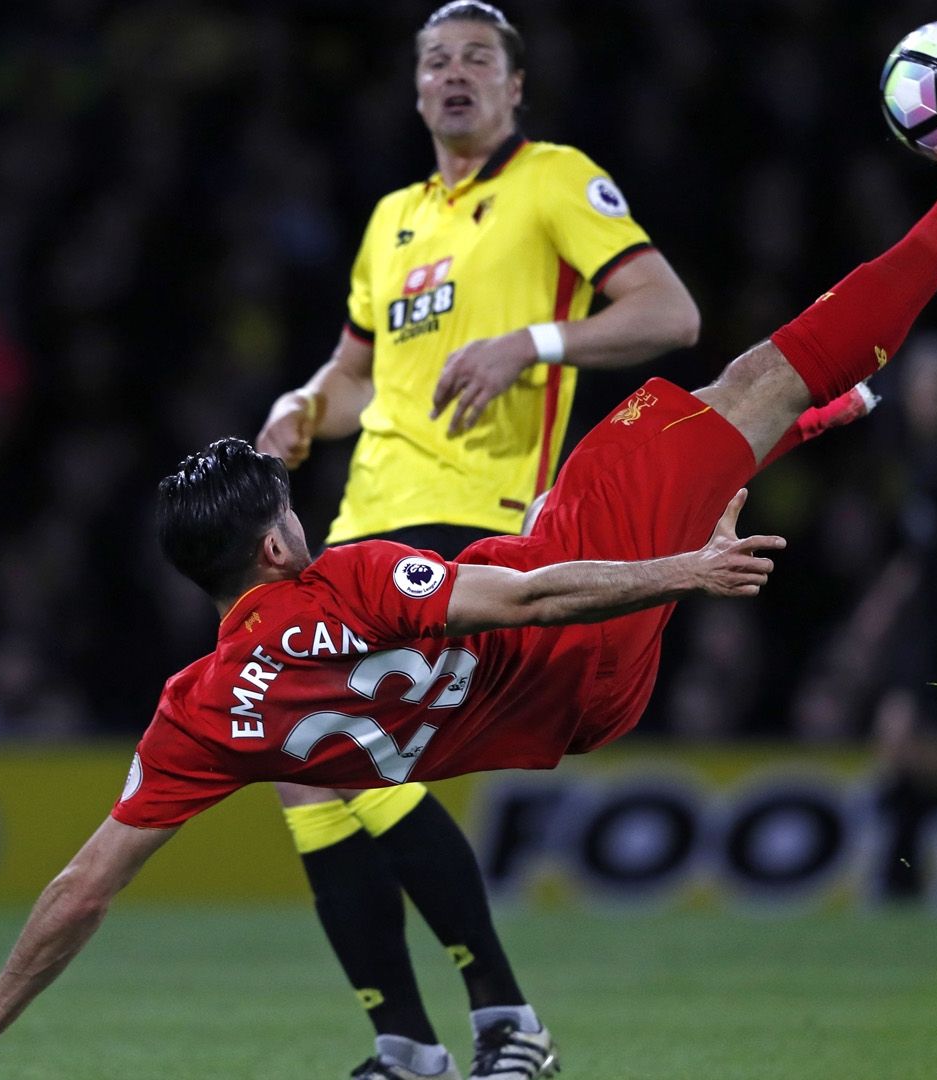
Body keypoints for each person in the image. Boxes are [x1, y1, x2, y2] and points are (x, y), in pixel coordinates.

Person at [0, 50, 937, 1068]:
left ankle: (812, 418)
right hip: (567, 618)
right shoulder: (354, 580)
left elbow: (86, 884)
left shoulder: (198, 713)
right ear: (281, 540)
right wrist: (681, 572)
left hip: (569, 708)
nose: (451, 73)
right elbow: (533, 599)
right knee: (754, 378)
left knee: (715, 417)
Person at [251, 2, 705, 1073]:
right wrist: (306, 403)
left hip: (479, 519)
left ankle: (505, 1022)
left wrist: (532, 343)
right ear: (415, 93)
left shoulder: (553, 180)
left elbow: (670, 315)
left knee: (354, 748)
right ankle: (413, 1044)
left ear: (514, 88)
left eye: (478, 60)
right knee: (306, 761)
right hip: (358, 525)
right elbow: (362, 379)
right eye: (436, 62)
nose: (455, 75)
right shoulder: (390, 219)